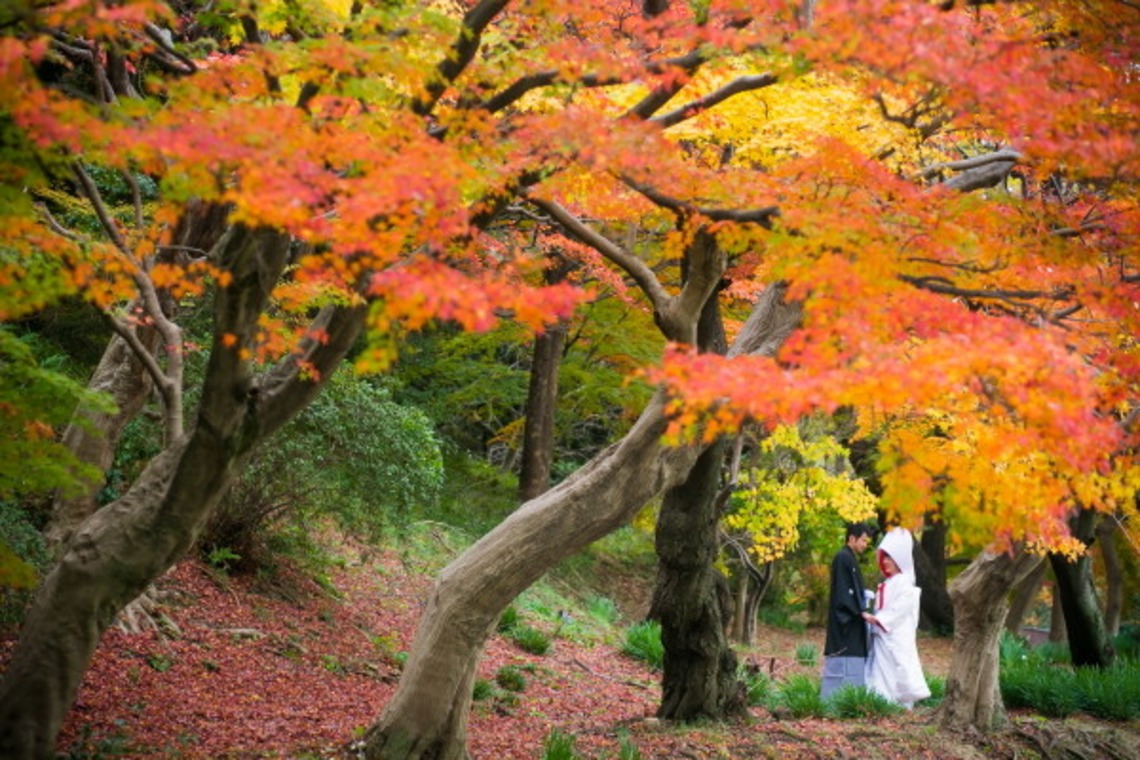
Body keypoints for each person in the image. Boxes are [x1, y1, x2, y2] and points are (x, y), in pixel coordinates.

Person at [864, 527, 931, 709]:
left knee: (897, 668)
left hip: (896, 636)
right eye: (884, 557)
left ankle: (896, 704)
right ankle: (880, 702)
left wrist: (878, 619)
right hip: (883, 635)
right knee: (880, 669)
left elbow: (900, 608)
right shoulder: (888, 583)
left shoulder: (905, 582)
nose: (885, 562)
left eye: (890, 558)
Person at [821, 522, 875, 698]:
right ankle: (836, 699)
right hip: (845, 619)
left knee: (853, 655)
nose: (865, 545)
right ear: (852, 538)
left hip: (851, 618)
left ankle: (849, 700)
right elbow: (843, 591)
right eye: (864, 541)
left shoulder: (849, 557)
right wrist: (860, 611)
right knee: (843, 656)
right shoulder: (843, 557)